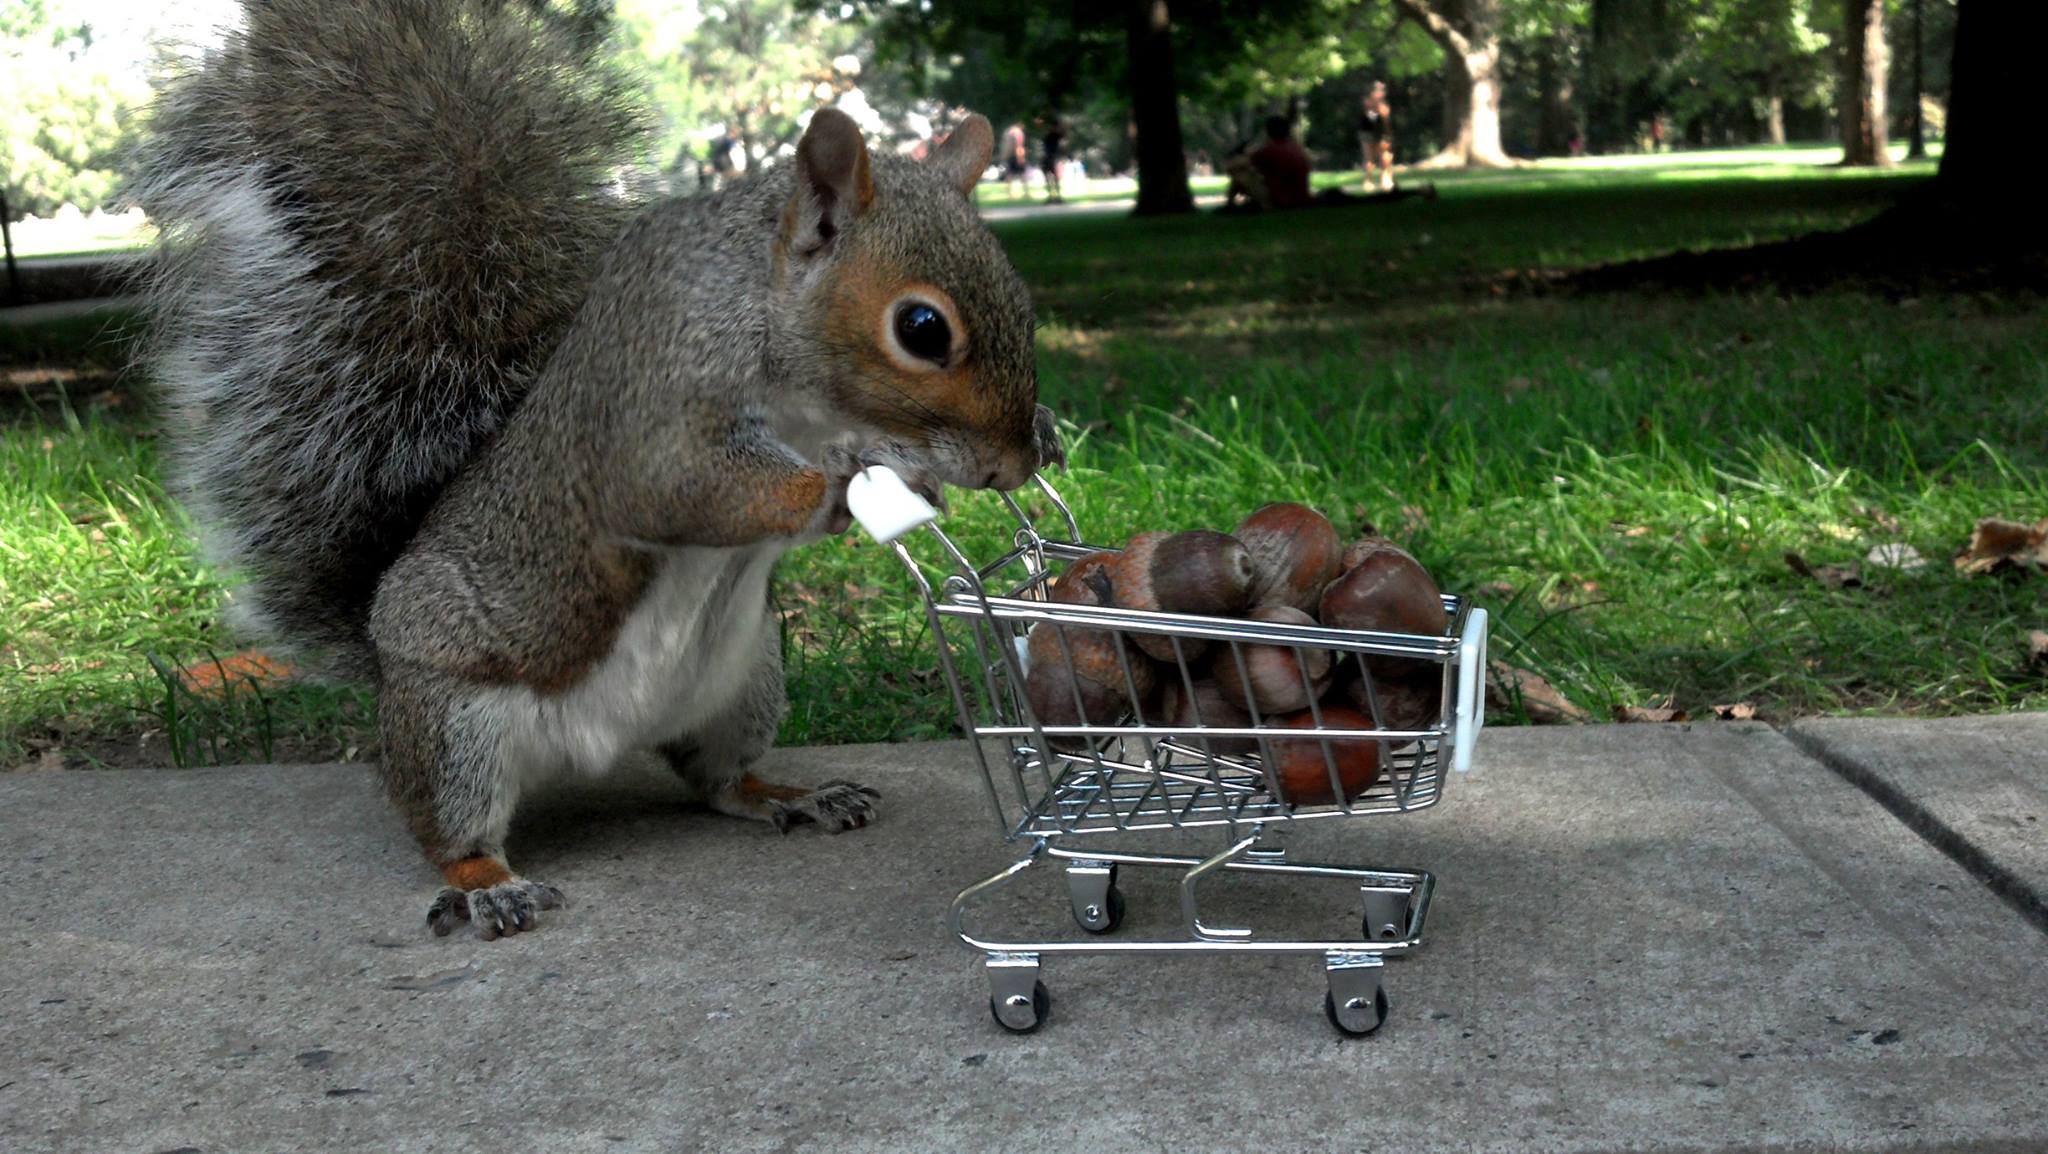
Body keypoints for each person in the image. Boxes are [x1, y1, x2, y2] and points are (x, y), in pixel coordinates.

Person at [136, 0, 1062, 939]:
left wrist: (954, 443)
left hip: (675, 643)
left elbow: (835, 438)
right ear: (819, 223)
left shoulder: (804, 331)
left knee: (751, 625)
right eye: (920, 335)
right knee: (436, 646)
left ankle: (730, 775)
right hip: (524, 654)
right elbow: (664, 488)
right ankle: (469, 852)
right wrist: (824, 491)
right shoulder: (693, 316)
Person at [1247, 115, 1314, 209]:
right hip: (1301, 198)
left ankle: (1231, 205)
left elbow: (1242, 163)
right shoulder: (1296, 149)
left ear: (1268, 132)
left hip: (1280, 200)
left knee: (1241, 173)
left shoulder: (1268, 150)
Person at [1359, 82, 1394, 192]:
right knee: (1369, 159)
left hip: (1382, 132)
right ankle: (1368, 180)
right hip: (1368, 131)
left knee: (1385, 156)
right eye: (1378, 90)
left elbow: (1386, 122)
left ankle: (1386, 178)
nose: (1380, 92)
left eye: (1382, 90)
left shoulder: (1385, 104)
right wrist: (1377, 111)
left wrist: (1388, 134)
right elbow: (1369, 119)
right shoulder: (1367, 102)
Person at [1040, 117, 1066, 204]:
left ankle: (1055, 196)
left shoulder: (1054, 135)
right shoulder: (1052, 135)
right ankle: (1053, 196)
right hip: (1050, 157)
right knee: (1050, 178)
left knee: (1053, 178)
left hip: (1052, 158)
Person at [1001, 122, 1029, 198]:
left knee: (1009, 174)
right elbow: (1019, 145)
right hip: (1017, 155)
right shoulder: (1018, 132)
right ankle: (1026, 193)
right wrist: (1020, 158)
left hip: (1009, 156)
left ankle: (1010, 194)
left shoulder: (1008, 132)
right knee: (1022, 174)